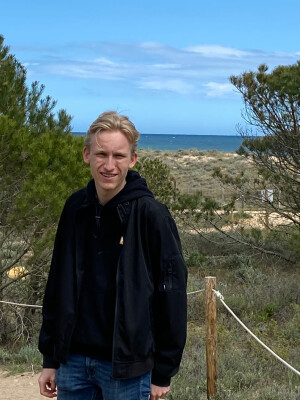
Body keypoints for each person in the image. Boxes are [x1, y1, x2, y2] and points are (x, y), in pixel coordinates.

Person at [38, 111, 187, 400]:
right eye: (101, 154)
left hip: (128, 370)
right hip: (73, 362)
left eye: (118, 156)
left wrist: (163, 372)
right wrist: (50, 358)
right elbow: (57, 283)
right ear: (86, 155)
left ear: (132, 160)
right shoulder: (75, 208)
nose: (109, 165)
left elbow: (171, 294)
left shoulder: (151, 216)